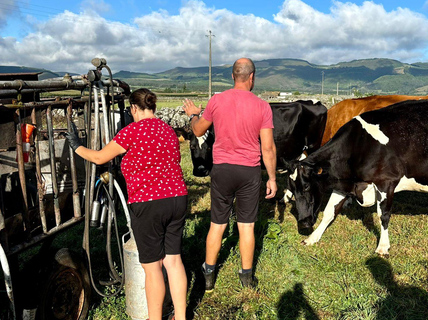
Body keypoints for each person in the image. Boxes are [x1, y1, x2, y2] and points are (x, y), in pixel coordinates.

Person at [66, 88, 187, 320]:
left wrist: (76, 145)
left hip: (149, 203)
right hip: (177, 198)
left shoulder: (131, 131)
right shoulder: (168, 130)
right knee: (173, 261)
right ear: (153, 107)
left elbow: (100, 157)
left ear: (133, 108)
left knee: (152, 268)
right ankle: (180, 317)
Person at [182, 57, 277, 291]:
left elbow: (198, 129)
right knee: (246, 226)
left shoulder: (216, 100)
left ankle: (209, 274)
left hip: (222, 170)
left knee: (217, 224)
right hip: (249, 171)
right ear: (252, 77)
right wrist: (273, 178)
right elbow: (267, 147)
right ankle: (246, 278)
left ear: (232, 76)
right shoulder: (263, 106)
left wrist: (194, 114)